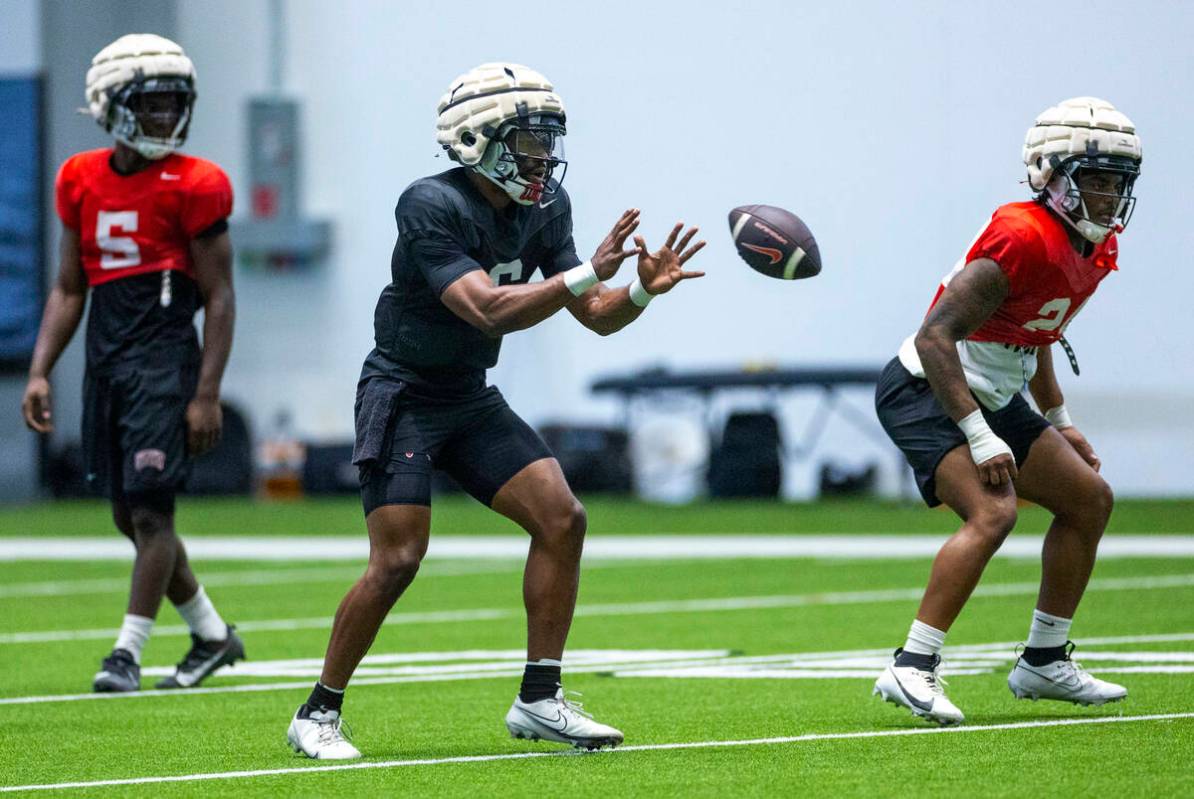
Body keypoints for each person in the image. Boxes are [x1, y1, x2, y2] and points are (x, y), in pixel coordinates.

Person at [286, 62, 705, 759]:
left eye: (547, 141)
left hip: (469, 395)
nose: (543, 157)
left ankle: (540, 698)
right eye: (528, 141)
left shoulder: (545, 210)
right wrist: (585, 274)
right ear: (477, 138)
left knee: (562, 517)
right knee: (397, 558)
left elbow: (594, 314)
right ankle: (317, 712)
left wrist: (639, 291)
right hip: (404, 392)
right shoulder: (428, 203)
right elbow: (484, 306)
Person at [872, 97, 1142, 725]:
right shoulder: (1021, 235)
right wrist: (978, 434)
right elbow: (936, 336)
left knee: (1089, 499)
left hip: (992, 392)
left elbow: (1035, 331)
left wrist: (1060, 420)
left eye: (1116, 182)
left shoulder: (1093, 249)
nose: (1107, 196)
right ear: (1048, 173)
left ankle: (1044, 660)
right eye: (1093, 179)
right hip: (927, 388)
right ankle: (911, 665)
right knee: (995, 512)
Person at [22, 34, 243, 693]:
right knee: (127, 514)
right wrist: (39, 369)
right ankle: (210, 633)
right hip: (106, 362)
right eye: (149, 104)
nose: (165, 117)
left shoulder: (197, 183)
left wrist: (206, 392)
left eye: (174, 103)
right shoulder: (78, 177)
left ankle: (126, 651)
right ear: (109, 104)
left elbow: (221, 296)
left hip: (163, 361)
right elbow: (68, 287)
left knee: (151, 515)